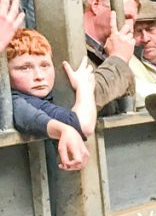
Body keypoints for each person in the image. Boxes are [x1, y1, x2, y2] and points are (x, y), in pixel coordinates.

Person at [8, 28, 95, 171]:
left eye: (45, 66)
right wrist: (84, 87)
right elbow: (83, 124)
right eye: (25, 68)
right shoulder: (15, 99)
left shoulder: (39, 98)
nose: (39, 76)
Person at [81, 0, 138, 114]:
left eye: (133, 21)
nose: (130, 28)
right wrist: (118, 59)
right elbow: (86, 101)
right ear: (96, 5)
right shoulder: (71, 48)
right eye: (126, 17)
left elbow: (127, 109)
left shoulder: (111, 50)